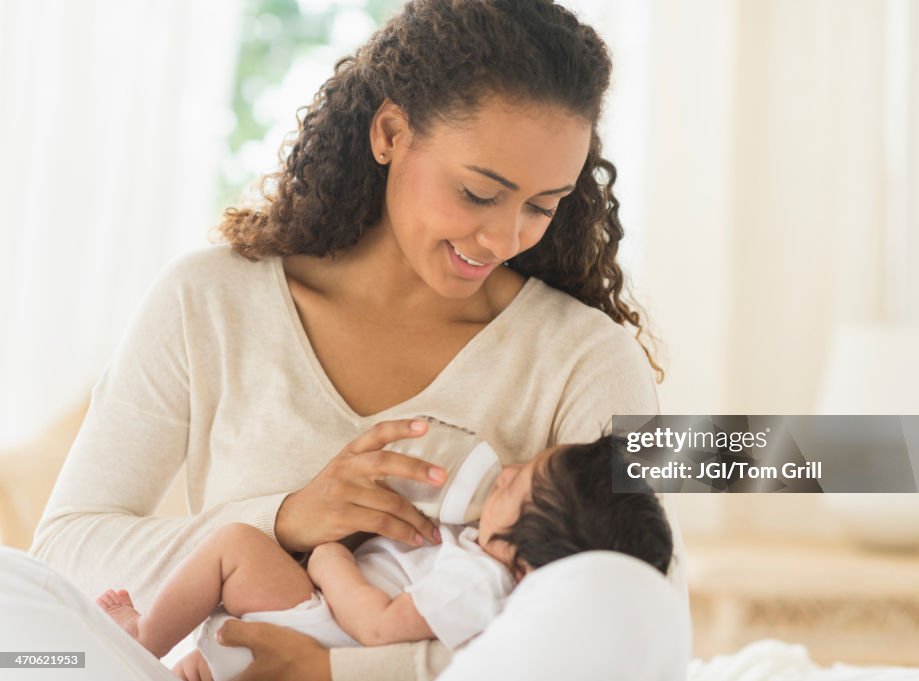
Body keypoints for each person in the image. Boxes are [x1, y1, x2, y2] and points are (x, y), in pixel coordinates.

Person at [29, 1, 674, 679]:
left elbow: (639, 624)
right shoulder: (207, 302)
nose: (506, 238)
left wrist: (347, 673)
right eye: (480, 192)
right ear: (392, 131)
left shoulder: (589, 362)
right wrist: (285, 518)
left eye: (544, 206)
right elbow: (61, 557)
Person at [96, 438, 674, 681]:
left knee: (235, 545)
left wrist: (327, 560)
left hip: (320, 621)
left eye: (519, 485)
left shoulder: (479, 582)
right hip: (307, 621)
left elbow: (377, 626)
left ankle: (139, 638)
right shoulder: (480, 552)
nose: (507, 472)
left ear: (533, 552)